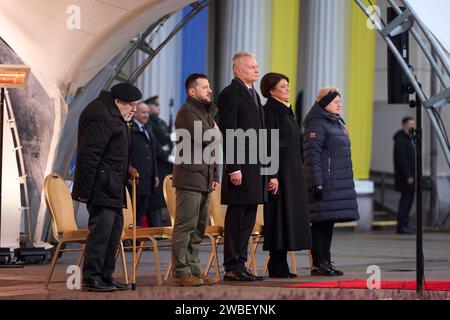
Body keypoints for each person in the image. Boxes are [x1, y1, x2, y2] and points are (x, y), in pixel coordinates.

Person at [72, 82, 142, 291]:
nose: (134, 108)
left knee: (113, 234)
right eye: (130, 104)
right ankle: (91, 278)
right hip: (101, 186)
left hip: (113, 185)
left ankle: (105, 276)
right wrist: (84, 192)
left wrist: (127, 168)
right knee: (101, 234)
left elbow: (114, 151)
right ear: (118, 101)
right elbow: (90, 154)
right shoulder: (100, 115)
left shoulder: (115, 115)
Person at [217, 52, 266, 281]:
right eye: (251, 67)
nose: (256, 69)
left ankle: (240, 264)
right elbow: (229, 131)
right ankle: (231, 266)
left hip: (254, 166)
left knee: (248, 217)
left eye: (257, 66)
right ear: (238, 70)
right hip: (240, 166)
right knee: (237, 217)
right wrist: (233, 167)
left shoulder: (253, 94)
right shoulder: (230, 93)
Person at [260, 72, 312, 278]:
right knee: (278, 218)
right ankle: (276, 264)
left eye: (288, 85)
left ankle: (280, 264)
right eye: (283, 86)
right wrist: (271, 174)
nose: (288, 89)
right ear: (271, 91)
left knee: (288, 218)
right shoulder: (270, 111)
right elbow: (267, 144)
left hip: (292, 173)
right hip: (279, 174)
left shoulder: (286, 111)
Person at [303, 87, 359, 277]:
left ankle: (326, 260)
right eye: (336, 101)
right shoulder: (317, 124)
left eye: (340, 101)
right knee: (319, 223)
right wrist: (317, 182)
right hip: (324, 183)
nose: (339, 104)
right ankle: (318, 263)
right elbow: (312, 155)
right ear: (324, 102)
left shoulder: (335, 123)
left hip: (334, 183)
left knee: (328, 222)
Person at [171, 73, 220, 286]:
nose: (209, 90)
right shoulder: (186, 113)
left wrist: (215, 175)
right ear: (192, 91)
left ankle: (194, 269)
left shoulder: (206, 113)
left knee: (198, 228)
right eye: (204, 87)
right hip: (189, 176)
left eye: (209, 86)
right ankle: (181, 272)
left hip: (204, 177)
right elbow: (205, 138)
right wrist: (216, 133)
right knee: (185, 227)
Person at [129, 102, 159, 227]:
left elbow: (153, 153)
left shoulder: (147, 128)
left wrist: (155, 174)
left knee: (141, 212)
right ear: (135, 113)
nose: (146, 115)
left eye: (147, 112)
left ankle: (137, 244)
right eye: (143, 112)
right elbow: (127, 153)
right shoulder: (130, 129)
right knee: (132, 213)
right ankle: (130, 243)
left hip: (147, 178)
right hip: (135, 178)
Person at [146, 96, 175, 227]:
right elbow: (156, 144)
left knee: (164, 198)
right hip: (158, 164)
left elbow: (167, 140)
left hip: (165, 165)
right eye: (155, 105)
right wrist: (165, 155)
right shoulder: (150, 123)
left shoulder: (160, 122)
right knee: (156, 200)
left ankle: (162, 226)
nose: (158, 107)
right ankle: (155, 229)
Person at [393, 117, 416, 235]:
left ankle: (405, 225)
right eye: (410, 124)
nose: (412, 126)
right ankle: (402, 226)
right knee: (405, 201)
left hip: (412, 176)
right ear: (404, 125)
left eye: (413, 124)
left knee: (408, 201)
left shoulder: (410, 139)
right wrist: (408, 175)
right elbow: (402, 160)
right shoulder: (401, 140)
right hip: (406, 178)